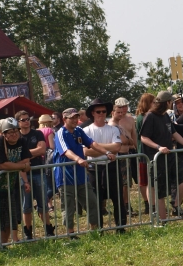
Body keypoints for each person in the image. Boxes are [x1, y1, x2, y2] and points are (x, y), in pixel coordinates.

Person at [55, 107, 114, 233]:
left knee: (92, 202)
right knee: (69, 206)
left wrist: (107, 152)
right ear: (64, 119)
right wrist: (78, 159)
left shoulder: (78, 130)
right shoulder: (61, 133)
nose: (75, 120)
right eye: (72, 118)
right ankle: (70, 234)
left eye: (76, 117)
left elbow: (92, 143)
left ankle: (95, 231)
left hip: (81, 175)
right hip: (65, 176)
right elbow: (65, 151)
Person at [140, 91, 183, 221]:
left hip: (169, 155)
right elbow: (144, 137)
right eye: (171, 101)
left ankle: (176, 205)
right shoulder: (150, 116)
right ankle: (163, 221)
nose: (173, 104)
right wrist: (158, 147)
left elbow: (174, 134)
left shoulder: (165, 116)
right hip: (156, 158)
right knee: (160, 191)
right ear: (167, 102)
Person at [83, 98, 127, 229]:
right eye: (98, 111)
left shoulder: (113, 129)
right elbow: (86, 152)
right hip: (94, 169)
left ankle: (121, 227)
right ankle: (99, 229)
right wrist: (108, 149)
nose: (101, 114)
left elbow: (117, 147)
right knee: (96, 201)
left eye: (104, 111)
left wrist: (95, 146)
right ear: (93, 113)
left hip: (112, 167)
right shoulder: (86, 131)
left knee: (117, 199)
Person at [0, 118, 31, 243]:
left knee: (10, 218)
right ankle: (0, 244)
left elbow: (27, 160)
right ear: (4, 134)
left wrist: (11, 165)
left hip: (11, 185)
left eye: (16, 131)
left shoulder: (21, 141)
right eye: (10, 132)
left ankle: (5, 244)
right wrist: (21, 166)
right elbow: (1, 165)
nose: (14, 134)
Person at [14, 110, 51, 238]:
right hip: (23, 174)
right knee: (26, 206)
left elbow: (42, 149)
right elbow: (16, 155)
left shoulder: (38, 133)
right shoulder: (16, 136)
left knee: (43, 204)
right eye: (23, 120)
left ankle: (49, 230)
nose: (27, 121)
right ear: (18, 123)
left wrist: (24, 155)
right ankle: (28, 232)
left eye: (27, 119)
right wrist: (29, 154)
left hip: (38, 172)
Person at [110, 98, 136, 215]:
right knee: (122, 184)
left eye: (123, 109)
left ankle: (126, 205)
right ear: (113, 112)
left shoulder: (126, 122)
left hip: (126, 155)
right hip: (119, 155)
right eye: (118, 111)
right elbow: (123, 140)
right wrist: (129, 141)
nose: (121, 113)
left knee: (126, 184)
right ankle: (123, 206)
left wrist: (130, 141)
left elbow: (132, 139)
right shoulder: (112, 125)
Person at [134, 93, 155, 214]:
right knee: (146, 181)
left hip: (148, 152)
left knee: (149, 180)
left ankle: (151, 204)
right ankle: (149, 205)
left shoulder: (146, 116)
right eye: (153, 102)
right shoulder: (143, 118)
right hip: (144, 152)